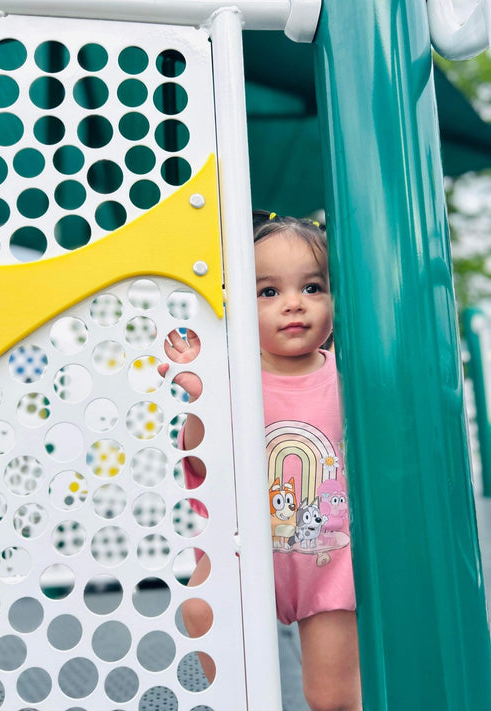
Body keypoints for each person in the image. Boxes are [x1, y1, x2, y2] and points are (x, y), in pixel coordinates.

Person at [159, 211, 361, 711]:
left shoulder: (350, 374)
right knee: (202, 606)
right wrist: (200, 396)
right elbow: (201, 460)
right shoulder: (231, 377)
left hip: (329, 559)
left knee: (333, 697)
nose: (293, 304)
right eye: (267, 292)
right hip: (245, 551)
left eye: (313, 287)